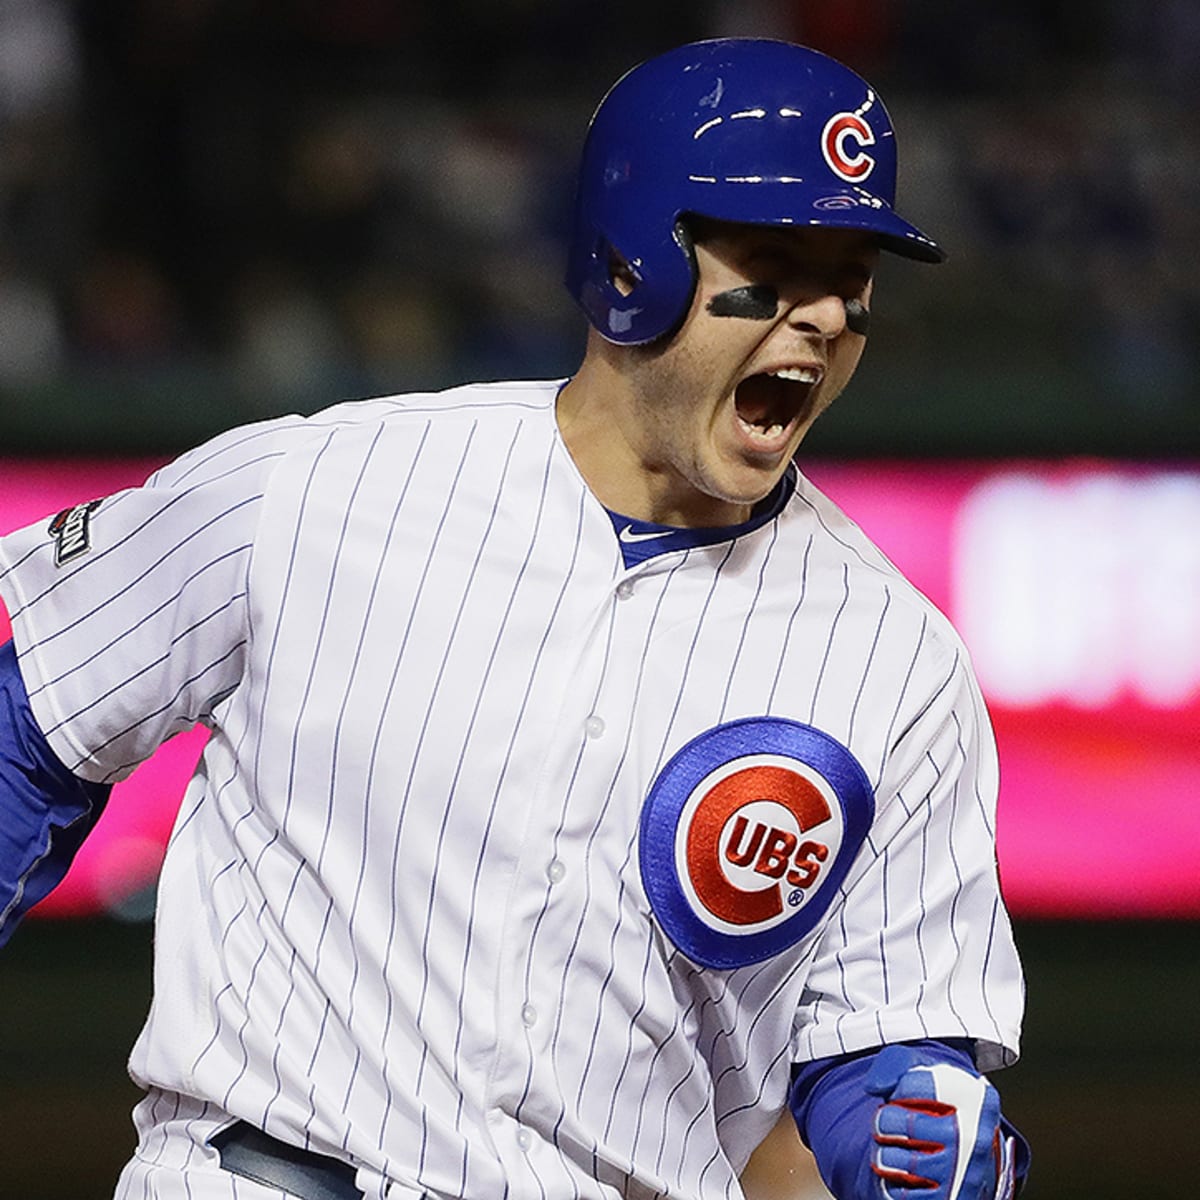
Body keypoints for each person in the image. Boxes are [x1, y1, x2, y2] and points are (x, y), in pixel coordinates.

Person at [0, 37, 1029, 1200]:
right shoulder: (316, 489)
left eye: (853, 276)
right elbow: (29, 725)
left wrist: (914, 1122)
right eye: (777, 263)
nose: (826, 316)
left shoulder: (897, 661)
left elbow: (886, 1041)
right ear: (633, 260)